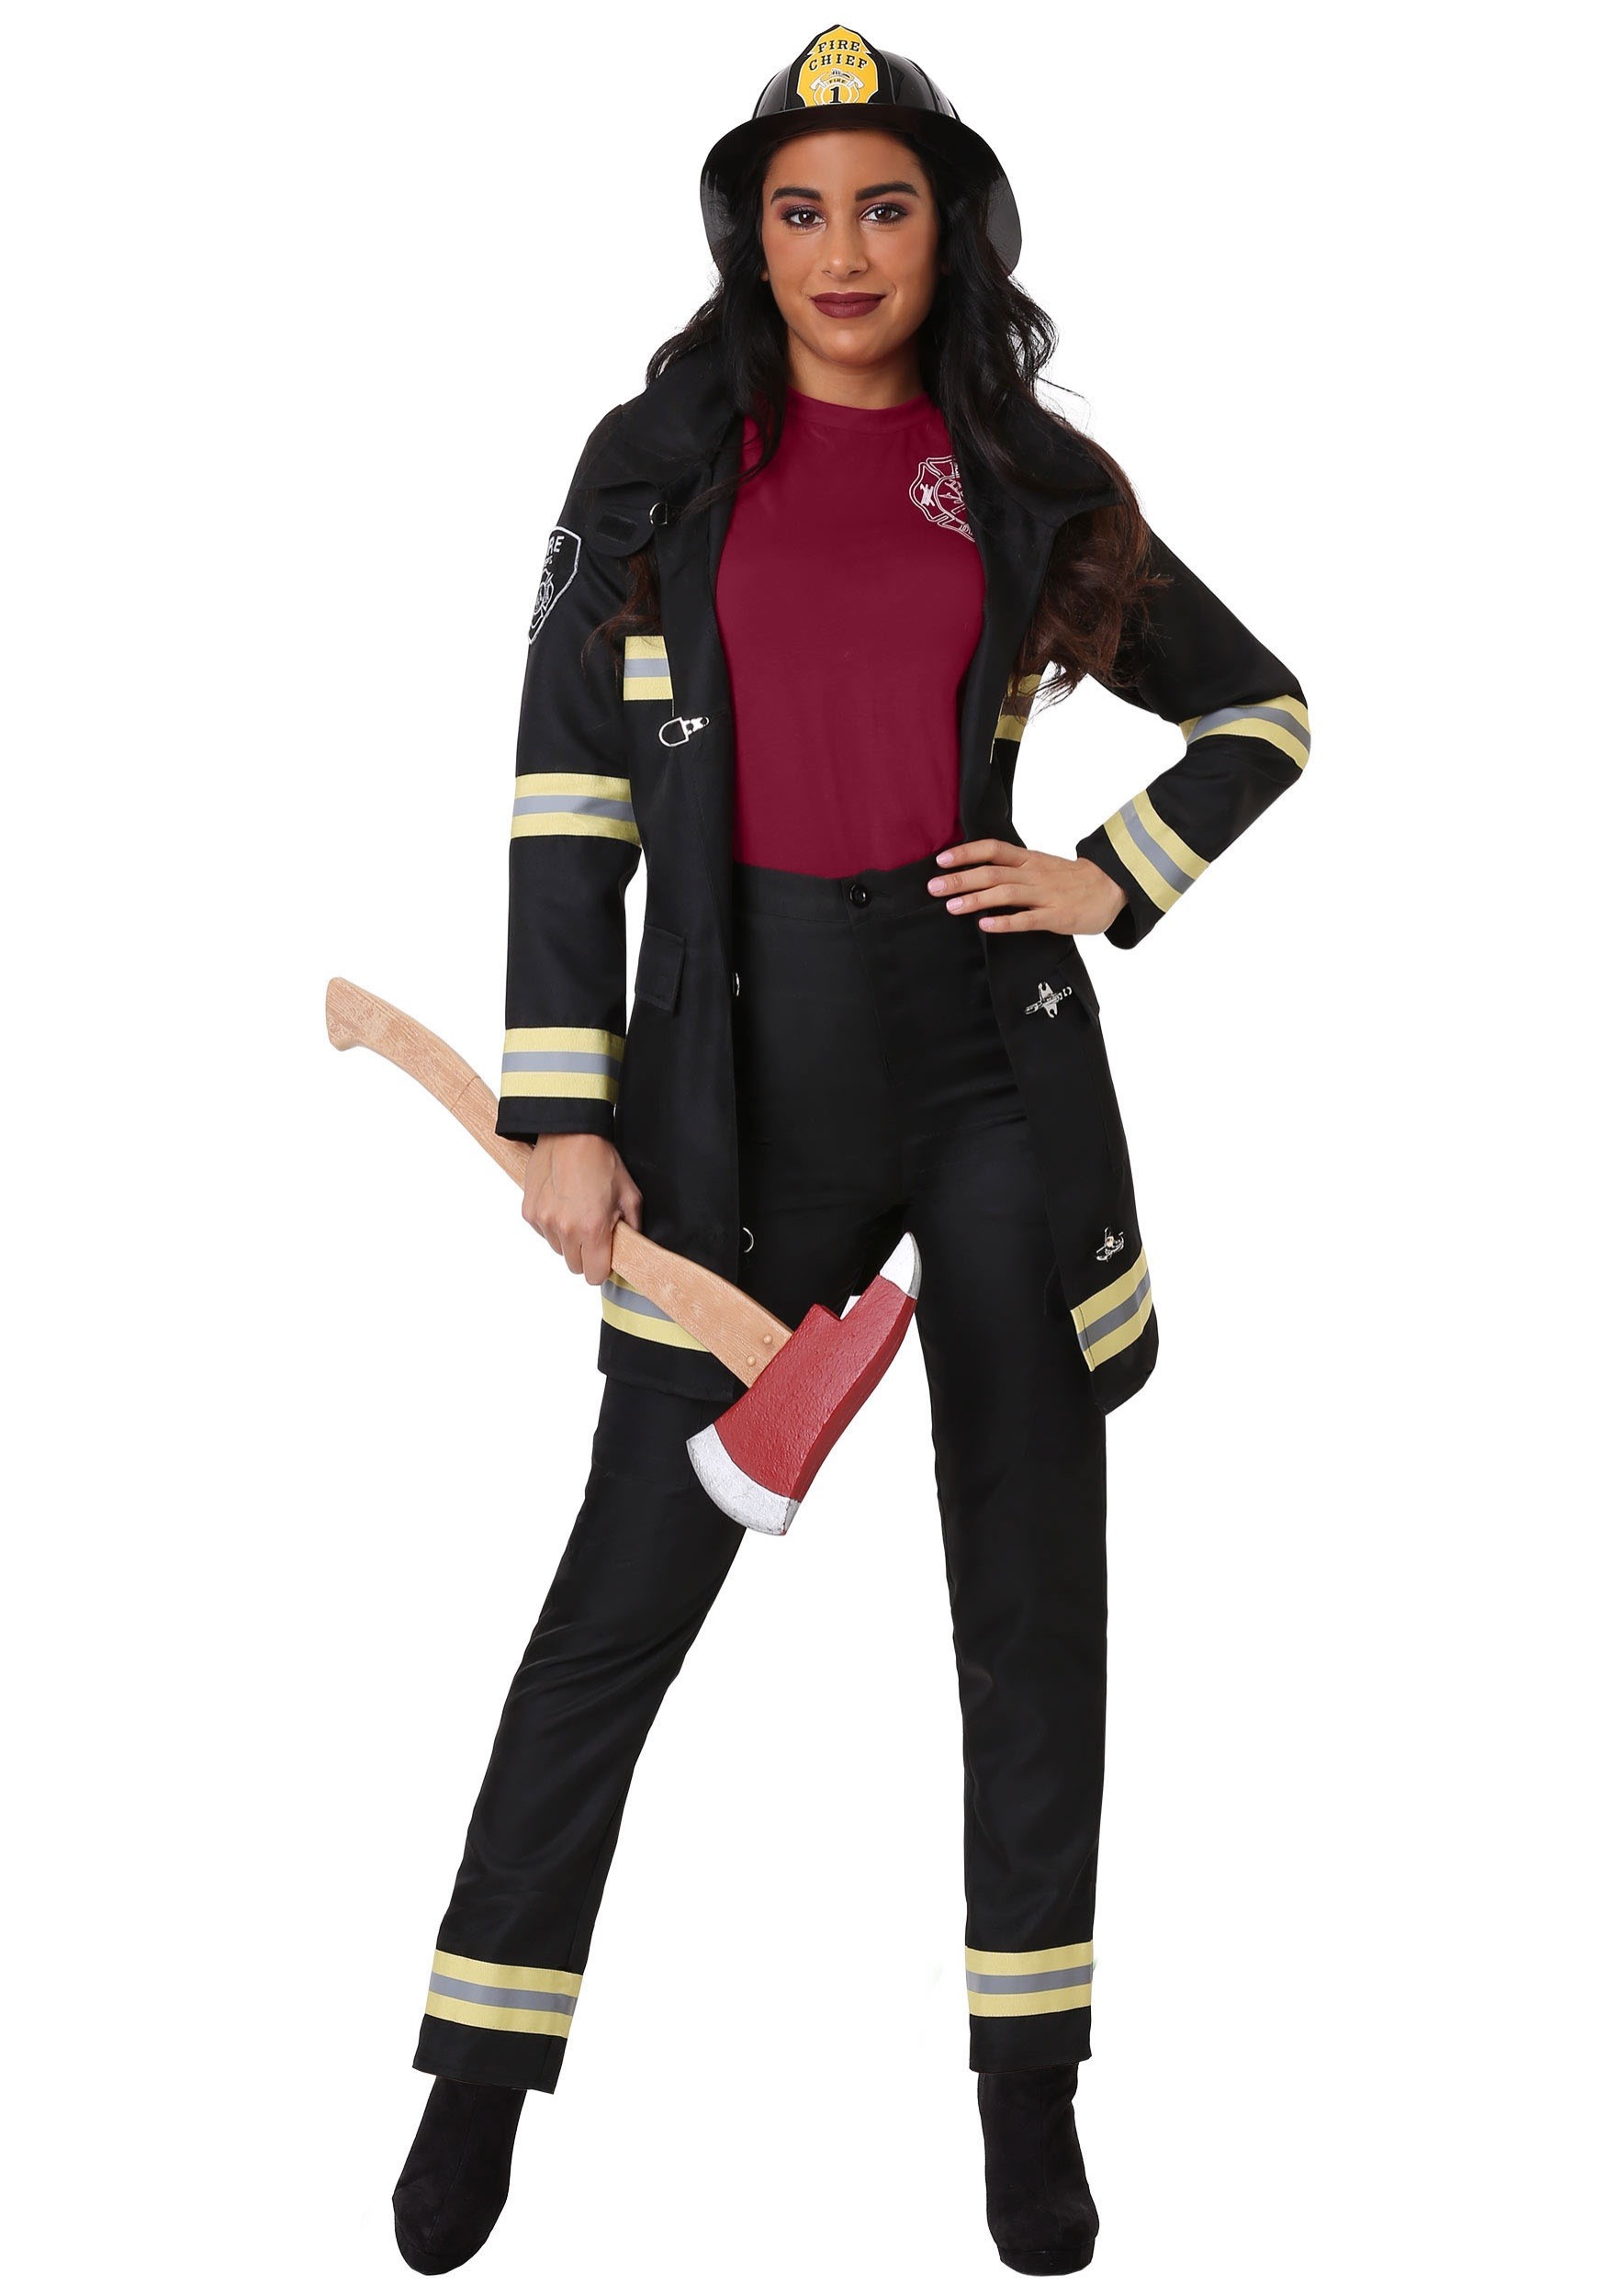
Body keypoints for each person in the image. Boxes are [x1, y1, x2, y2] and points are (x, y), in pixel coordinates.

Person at [391, 23, 1309, 2278]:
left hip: (988, 1063)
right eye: (798, 210)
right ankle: (477, 2066)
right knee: (624, 1583)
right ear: (748, 233)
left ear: (947, 228)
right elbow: (563, 798)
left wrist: (1108, 873)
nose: (839, 251)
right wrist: (563, 1111)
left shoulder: (1028, 478)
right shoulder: (649, 466)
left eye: (881, 207)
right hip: (729, 1088)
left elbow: (1261, 707)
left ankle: (1026, 2088)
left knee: (1028, 1589)